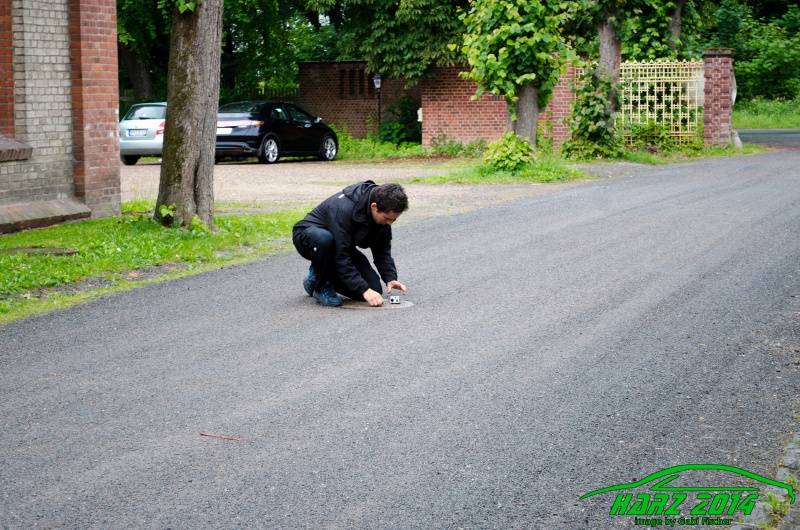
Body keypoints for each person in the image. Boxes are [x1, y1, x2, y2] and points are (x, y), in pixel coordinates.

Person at [292, 181, 408, 307]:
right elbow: (341, 255)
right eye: (387, 218)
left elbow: (382, 251)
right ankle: (321, 285)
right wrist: (363, 290)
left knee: (374, 289)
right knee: (324, 239)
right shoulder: (343, 208)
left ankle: (315, 277)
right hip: (309, 238)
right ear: (374, 207)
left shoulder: (382, 217)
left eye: (394, 219)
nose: (390, 223)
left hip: (339, 245)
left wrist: (390, 278)